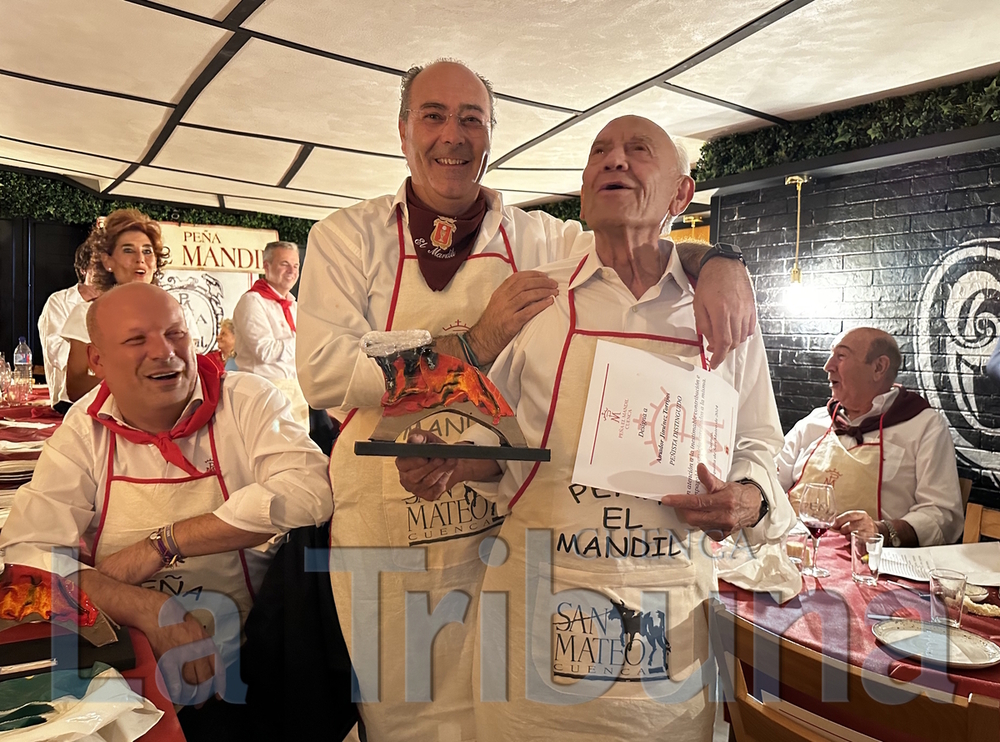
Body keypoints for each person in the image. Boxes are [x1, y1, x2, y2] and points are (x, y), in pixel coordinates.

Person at [297, 61, 759, 741]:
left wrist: (722, 262)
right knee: (406, 718)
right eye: (433, 115)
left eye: (471, 119)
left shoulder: (540, 238)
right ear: (402, 130)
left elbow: (635, 239)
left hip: (499, 530)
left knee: (502, 715)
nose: (452, 136)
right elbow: (325, 373)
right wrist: (472, 343)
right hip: (388, 534)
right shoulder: (346, 237)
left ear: (491, 137)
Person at [395, 115, 793, 742]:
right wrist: (448, 460)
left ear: (680, 195)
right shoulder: (532, 300)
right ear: (582, 192)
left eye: (638, 150)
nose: (615, 160)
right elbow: (507, 446)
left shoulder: (721, 307)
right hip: (534, 617)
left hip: (668, 619)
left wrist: (749, 497)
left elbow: (761, 442)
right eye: (599, 152)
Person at [0, 283, 332, 741]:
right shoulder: (84, 426)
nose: (164, 352)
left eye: (176, 334)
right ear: (96, 361)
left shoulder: (247, 399)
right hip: (128, 670)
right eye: (137, 340)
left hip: (258, 661)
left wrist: (164, 544)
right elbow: (26, 553)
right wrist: (149, 609)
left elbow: (312, 489)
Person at [777, 327, 964, 547]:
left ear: (878, 367)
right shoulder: (815, 421)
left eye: (841, 356)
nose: (828, 366)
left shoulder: (923, 425)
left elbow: (942, 515)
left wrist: (882, 531)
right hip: (790, 550)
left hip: (868, 564)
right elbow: (771, 477)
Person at [61, 209, 172, 402]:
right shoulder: (86, 313)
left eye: (147, 251)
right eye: (128, 250)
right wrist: (140, 385)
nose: (140, 259)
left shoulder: (173, 313)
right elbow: (76, 386)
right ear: (108, 261)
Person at [232, 241, 308, 427]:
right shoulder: (252, 301)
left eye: (296, 265)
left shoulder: (293, 304)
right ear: (266, 266)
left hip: (296, 389)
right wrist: (304, 341)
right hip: (265, 389)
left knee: (300, 452)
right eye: (284, 264)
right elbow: (265, 351)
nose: (292, 271)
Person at [37, 237, 100, 413]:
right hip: (70, 402)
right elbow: (57, 351)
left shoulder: (117, 302)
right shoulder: (58, 302)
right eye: (97, 265)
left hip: (112, 398)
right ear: (83, 269)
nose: (105, 271)